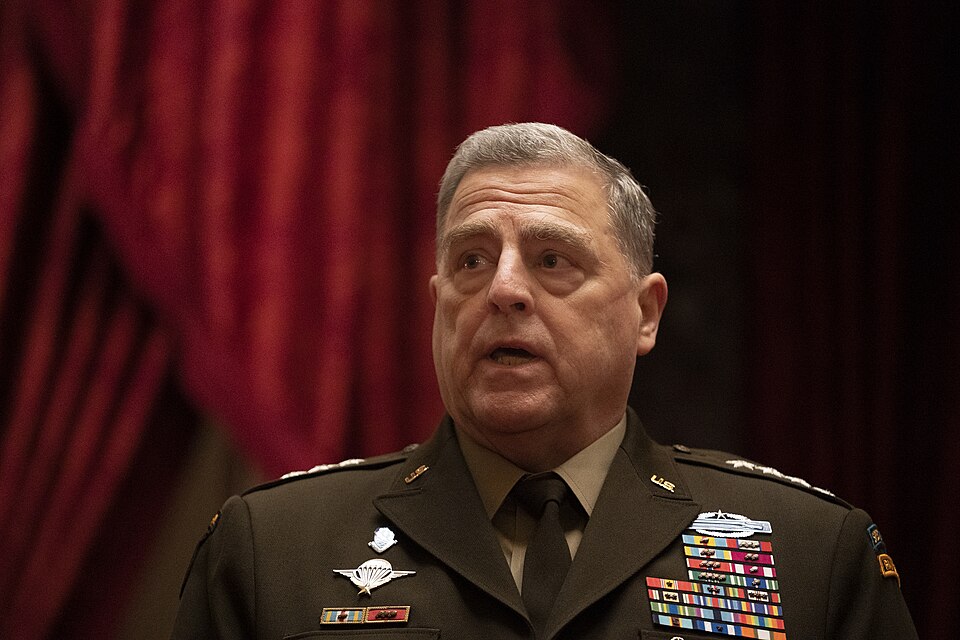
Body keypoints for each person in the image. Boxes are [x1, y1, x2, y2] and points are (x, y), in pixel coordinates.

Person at [171, 123, 917, 639]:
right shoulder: (273, 551)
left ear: (645, 313)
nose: (503, 290)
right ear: (438, 304)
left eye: (552, 258)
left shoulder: (810, 554)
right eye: (470, 259)